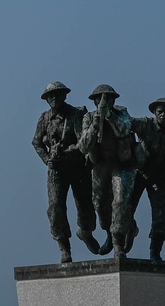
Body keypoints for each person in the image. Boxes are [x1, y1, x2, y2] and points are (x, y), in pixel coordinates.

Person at [32, 81, 101, 263]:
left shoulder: (76, 115)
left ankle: (86, 232)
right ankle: (64, 246)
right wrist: (47, 159)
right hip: (56, 169)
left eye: (57, 94)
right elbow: (36, 142)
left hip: (78, 167)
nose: (54, 98)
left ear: (64, 96)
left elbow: (82, 142)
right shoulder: (45, 118)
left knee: (85, 205)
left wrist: (66, 150)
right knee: (55, 207)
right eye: (50, 96)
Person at [77, 84, 141, 258]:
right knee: (99, 205)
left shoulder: (122, 113)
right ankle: (115, 231)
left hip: (122, 166)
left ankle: (117, 244)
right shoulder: (89, 118)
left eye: (108, 98)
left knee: (119, 202)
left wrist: (110, 116)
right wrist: (95, 126)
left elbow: (125, 130)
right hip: (100, 167)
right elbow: (83, 147)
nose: (103, 102)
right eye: (99, 98)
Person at [131, 97, 165, 263]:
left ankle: (155, 252)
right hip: (139, 174)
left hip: (160, 177)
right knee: (125, 210)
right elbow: (125, 125)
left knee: (160, 218)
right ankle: (122, 240)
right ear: (154, 112)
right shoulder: (145, 124)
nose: (163, 115)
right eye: (160, 111)